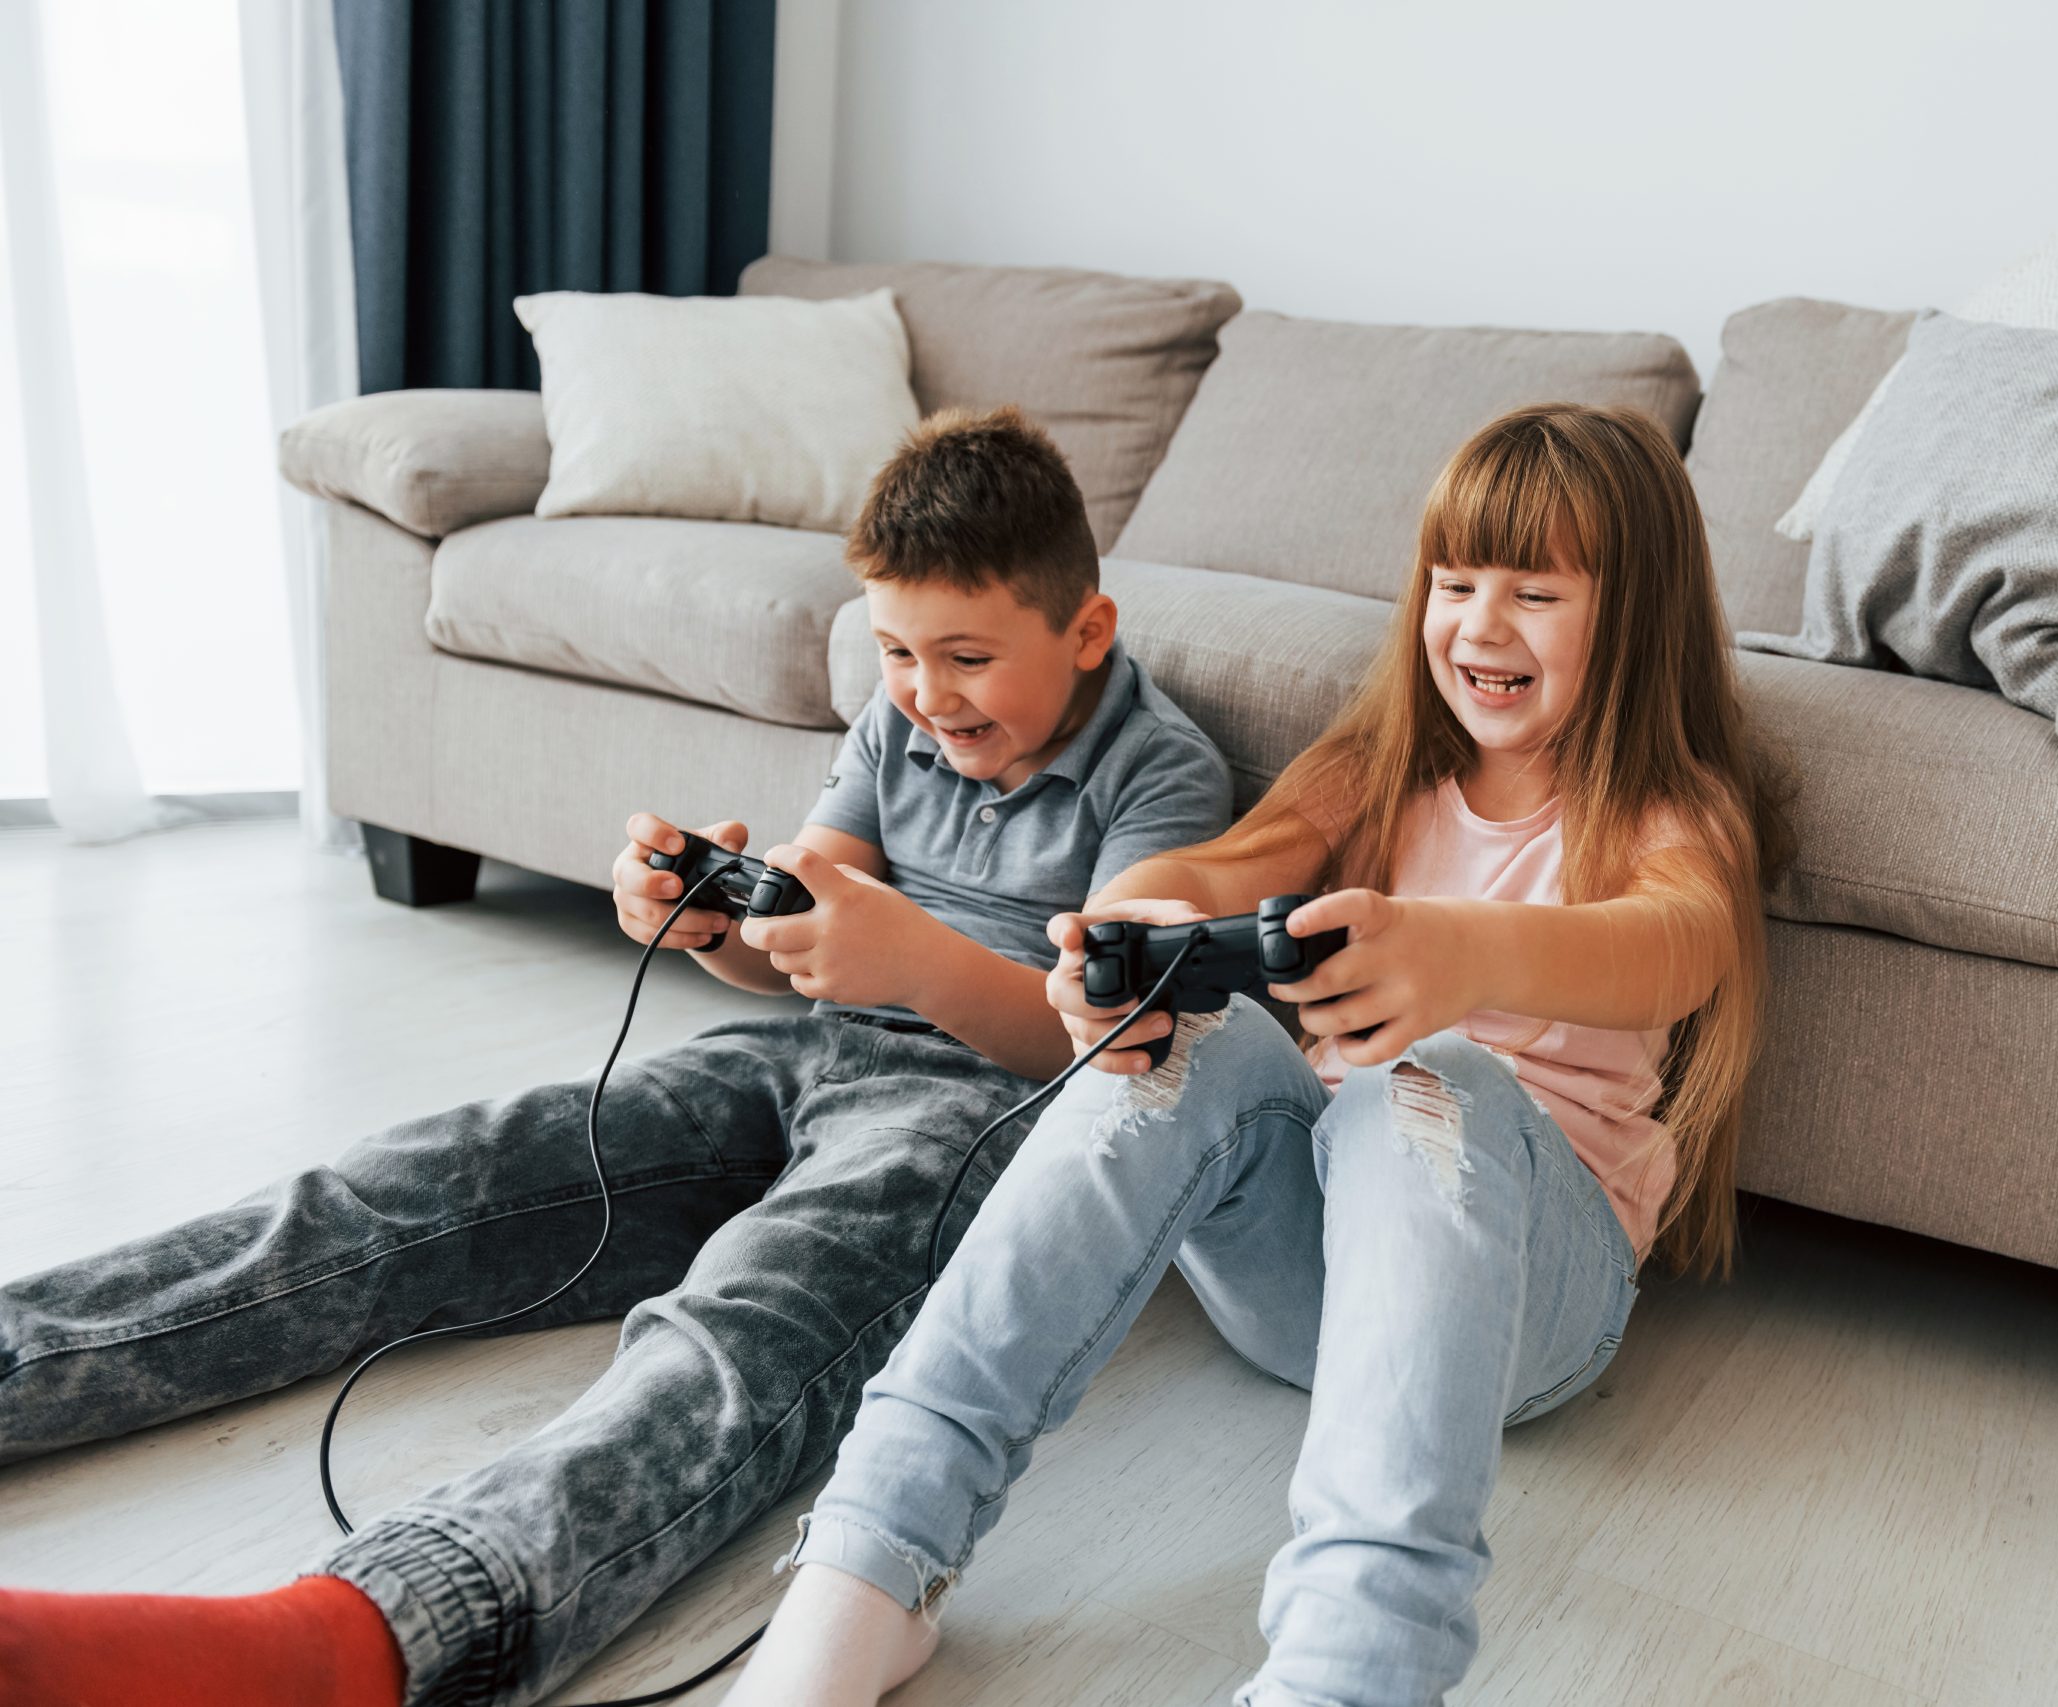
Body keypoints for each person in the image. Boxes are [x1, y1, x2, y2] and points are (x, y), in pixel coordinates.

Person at [0, 407, 1233, 1707]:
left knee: (750, 1319)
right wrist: (708, 925)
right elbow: (792, 939)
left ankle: (365, 1637)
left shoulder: (1162, 775)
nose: (926, 696)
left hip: (980, 1117)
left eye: (967, 658)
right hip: (806, 1052)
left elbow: (1100, 1042)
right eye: (896, 653)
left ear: (1086, 630)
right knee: (432, 1174)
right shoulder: (897, 722)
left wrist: (919, 963)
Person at [728, 402, 1796, 1707]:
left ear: (1637, 616)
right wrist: (1133, 926)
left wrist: (1460, 955)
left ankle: (1352, 1676)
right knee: (1198, 1033)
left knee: (1430, 1077)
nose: (1480, 626)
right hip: (1314, 1278)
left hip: (1534, 1303)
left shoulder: (1674, 814)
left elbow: (1675, 945)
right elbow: (1223, 867)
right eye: (1455, 583)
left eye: (1535, 593)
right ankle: (867, 1569)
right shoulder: (1381, 768)